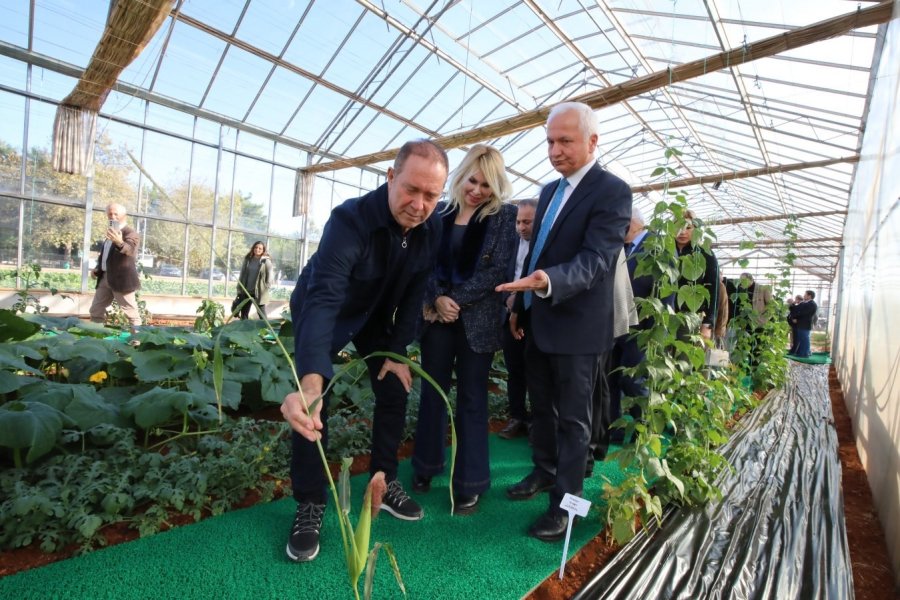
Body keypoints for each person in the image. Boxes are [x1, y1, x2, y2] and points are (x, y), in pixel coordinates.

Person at [280, 139, 448, 563]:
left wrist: (397, 352)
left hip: (374, 314)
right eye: (411, 189)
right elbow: (324, 297)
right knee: (315, 403)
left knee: (394, 386)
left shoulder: (431, 229)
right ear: (390, 177)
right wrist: (312, 379)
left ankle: (384, 480)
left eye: (431, 195)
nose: (419, 204)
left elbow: (412, 296)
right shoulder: (350, 220)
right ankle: (310, 501)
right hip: (329, 310)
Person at [496, 102, 632, 541]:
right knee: (542, 409)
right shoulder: (551, 192)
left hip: (578, 326)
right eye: (550, 141)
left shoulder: (612, 192)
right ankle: (544, 470)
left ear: (592, 142)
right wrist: (521, 306)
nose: (555, 150)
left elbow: (596, 260)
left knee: (575, 420)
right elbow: (536, 255)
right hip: (539, 320)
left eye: (565, 141)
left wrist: (547, 282)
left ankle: (565, 505)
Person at [411, 144, 518, 515]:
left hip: (477, 322)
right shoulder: (438, 213)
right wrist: (437, 299)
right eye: (473, 180)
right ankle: (425, 466)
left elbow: (498, 269)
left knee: (472, 399)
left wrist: (454, 299)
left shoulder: (505, 217)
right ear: (461, 176)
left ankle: (470, 482)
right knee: (433, 392)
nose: (477, 190)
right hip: (437, 319)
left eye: (487, 185)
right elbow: (421, 263)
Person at [498, 199, 537, 440]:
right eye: (518, 222)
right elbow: (501, 274)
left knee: (536, 370)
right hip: (508, 313)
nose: (521, 227)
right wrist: (508, 300)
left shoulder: (545, 246)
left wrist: (520, 302)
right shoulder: (510, 243)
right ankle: (517, 417)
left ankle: (536, 420)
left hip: (534, 317)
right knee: (514, 368)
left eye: (527, 222)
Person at [89, 203, 142, 336]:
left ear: (124, 215)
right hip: (105, 278)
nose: (112, 216)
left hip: (121, 280)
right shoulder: (110, 233)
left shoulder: (130, 233)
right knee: (96, 310)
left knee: (131, 313)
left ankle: (138, 342)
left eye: (115, 214)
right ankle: (96, 340)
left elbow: (130, 251)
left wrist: (119, 242)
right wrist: (98, 269)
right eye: (110, 214)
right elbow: (106, 256)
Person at [674, 209, 719, 341]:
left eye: (688, 228)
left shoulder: (705, 254)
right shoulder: (665, 251)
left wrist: (707, 324)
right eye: (678, 227)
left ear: (695, 229)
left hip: (691, 316)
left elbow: (713, 290)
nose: (682, 232)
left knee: (684, 356)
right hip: (665, 313)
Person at [235, 241, 275, 320]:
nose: (257, 249)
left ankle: (266, 330)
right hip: (246, 291)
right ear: (253, 248)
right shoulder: (248, 260)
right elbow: (242, 274)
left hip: (259, 292)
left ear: (263, 250)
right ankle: (244, 330)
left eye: (260, 248)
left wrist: (266, 286)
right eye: (256, 247)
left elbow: (270, 275)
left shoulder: (266, 261)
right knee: (244, 313)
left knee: (261, 313)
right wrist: (239, 287)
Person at [790, 290, 817, 357]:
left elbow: (802, 313)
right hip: (801, 324)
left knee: (805, 339)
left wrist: (795, 317)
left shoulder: (811, 304)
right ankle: (802, 352)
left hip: (805, 324)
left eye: (805, 294)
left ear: (809, 296)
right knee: (802, 339)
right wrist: (793, 304)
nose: (804, 296)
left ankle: (804, 354)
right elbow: (795, 309)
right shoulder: (806, 303)